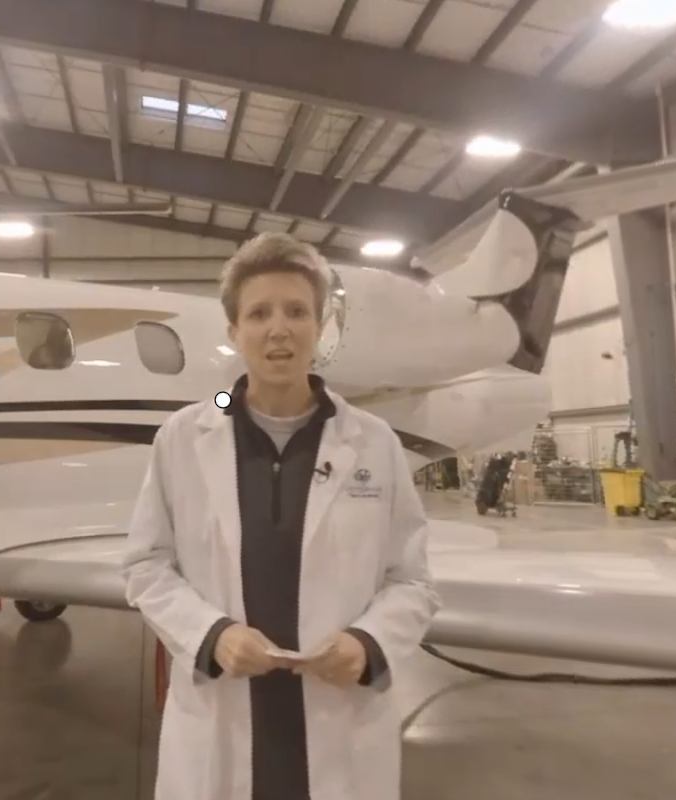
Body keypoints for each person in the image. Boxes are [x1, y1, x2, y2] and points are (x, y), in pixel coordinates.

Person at [121, 232, 442, 800]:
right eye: (259, 313)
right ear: (234, 331)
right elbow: (146, 566)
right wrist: (212, 635)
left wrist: (368, 643)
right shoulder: (184, 436)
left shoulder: (373, 441)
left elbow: (411, 580)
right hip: (221, 720)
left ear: (320, 327)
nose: (279, 329)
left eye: (296, 311)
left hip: (339, 722)